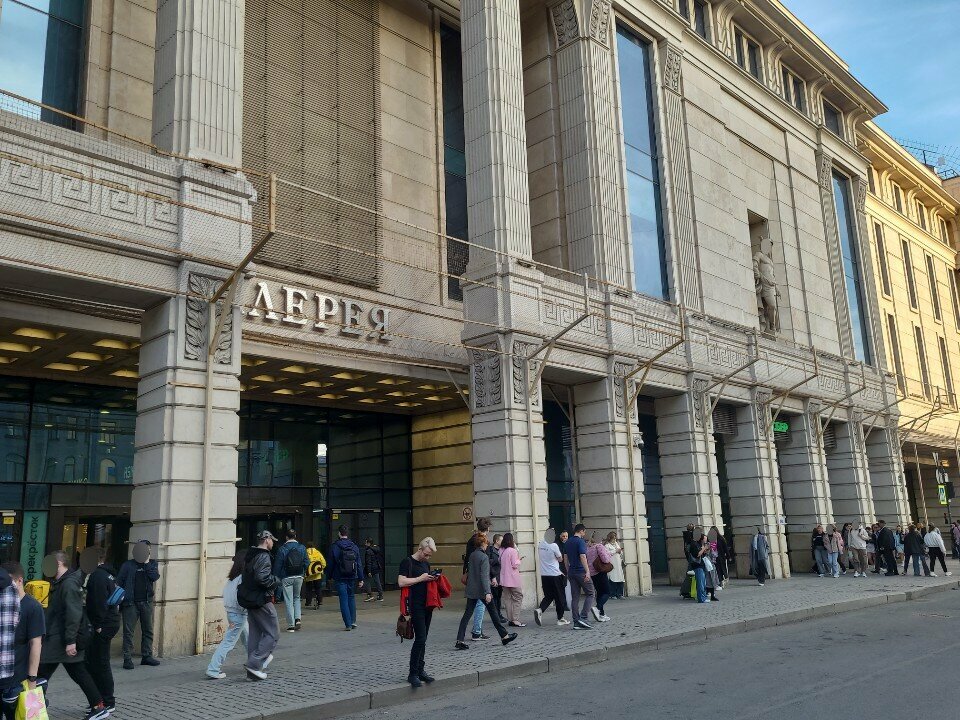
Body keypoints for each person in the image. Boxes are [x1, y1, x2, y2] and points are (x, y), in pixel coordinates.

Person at [39, 551, 109, 720]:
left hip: (60, 639)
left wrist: (71, 641)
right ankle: (98, 705)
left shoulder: (68, 584)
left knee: (41, 673)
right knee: (76, 672)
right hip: (59, 637)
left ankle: (34, 706)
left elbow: (73, 614)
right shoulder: (62, 582)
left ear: (58, 564)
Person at [454, 533, 517, 650]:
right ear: (483, 544)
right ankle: (505, 636)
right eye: (486, 543)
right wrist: (487, 592)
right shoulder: (483, 557)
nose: (487, 544)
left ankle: (460, 640)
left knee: (466, 615)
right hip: (482, 591)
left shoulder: (472, 555)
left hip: (471, 589)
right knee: (494, 614)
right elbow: (484, 576)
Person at [0, 562, 45, 720]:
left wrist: (32, 679)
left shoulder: (32, 607)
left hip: (18, 678)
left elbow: (36, 644)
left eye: (9, 581)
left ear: (19, 580)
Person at [237, 530, 282, 680]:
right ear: (267, 540)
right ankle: (254, 664)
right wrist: (276, 580)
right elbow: (262, 578)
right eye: (272, 540)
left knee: (255, 635)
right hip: (261, 599)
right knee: (273, 633)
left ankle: (252, 671)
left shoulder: (250, 555)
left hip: (250, 599)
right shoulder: (263, 556)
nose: (273, 543)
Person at [398, 538, 439, 687]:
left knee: (424, 638)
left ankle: (421, 670)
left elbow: (425, 581)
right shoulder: (407, 562)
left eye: (429, 556)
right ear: (419, 549)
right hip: (415, 606)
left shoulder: (426, 564)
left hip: (427, 605)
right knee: (420, 638)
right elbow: (401, 582)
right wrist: (420, 578)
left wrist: (432, 578)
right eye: (426, 554)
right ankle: (413, 673)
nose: (427, 557)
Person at [84, 548, 121, 714]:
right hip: (110, 622)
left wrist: (98, 625)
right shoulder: (108, 574)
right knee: (96, 662)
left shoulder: (98, 576)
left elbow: (99, 603)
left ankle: (107, 701)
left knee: (100, 663)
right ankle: (99, 700)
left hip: (103, 624)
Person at [117, 539, 160, 669]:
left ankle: (147, 656)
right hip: (130, 603)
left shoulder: (152, 564)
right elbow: (119, 582)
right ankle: (127, 658)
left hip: (146, 602)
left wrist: (146, 563)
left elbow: (154, 577)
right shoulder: (128, 565)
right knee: (128, 632)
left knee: (148, 630)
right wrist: (119, 601)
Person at [206, 551, 248, 679]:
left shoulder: (232, 579)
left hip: (233, 613)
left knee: (248, 637)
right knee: (228, 642)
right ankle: (213, 668)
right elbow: (243, 597)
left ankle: (258, 661)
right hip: (239, 613)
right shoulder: (242, 578)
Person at [462, 518, 493, 640]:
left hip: (471, 574)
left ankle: (475, 630)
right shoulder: (484, 541)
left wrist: (465, 572)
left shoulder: (472, 539)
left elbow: (467, 558)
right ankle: (476, 631)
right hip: (480, 575)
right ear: (488, 528)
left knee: (473, 606)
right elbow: (486, 560)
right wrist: (492, 577)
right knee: (480, 604)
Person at [328, 525, 364, 631]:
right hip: (352, 576)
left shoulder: (334, 546)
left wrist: (329, 577)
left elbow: (330, 564)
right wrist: (361, 578)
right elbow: (359, 564)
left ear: (339, 533)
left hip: (340, 576)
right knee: (351, 597)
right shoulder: (354, 546)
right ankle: (353, 622)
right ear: (347, 533)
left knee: (343, 599)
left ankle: (348, 624)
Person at [273, 529, 307, 633]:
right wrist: (302, 571)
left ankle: (291, 625)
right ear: (295, 536)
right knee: (297, 597)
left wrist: (276, 577)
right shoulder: (302, 547)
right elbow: (307, 561)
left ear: (286, 537)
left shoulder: (282, 549)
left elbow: (278, 565)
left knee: (288, 600)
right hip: (299, 576)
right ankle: (298, 619)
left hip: (286, 577)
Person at [534, 529, 568, 627]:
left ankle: (540, 609)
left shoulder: (540, 544)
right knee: (560, 597)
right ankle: (560, 618)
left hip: (544, 574)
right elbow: (560, 559)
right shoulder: (554, 546)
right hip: (555, 574)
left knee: (549, 595)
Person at [565, 524, 596, 629]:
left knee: (575, 597)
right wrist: (587, 571)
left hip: (571, 572)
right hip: (581, 571)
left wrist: (568, 571)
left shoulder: (568, 542)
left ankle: (576, 621)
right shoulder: (580, 541)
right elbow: (582, 556)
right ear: (581, 531)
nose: (584, 534)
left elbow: (565, 558)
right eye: (584, 532)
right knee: (590, 593)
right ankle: (583, 617)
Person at [498, 533, 524, 627]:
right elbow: (514, 564)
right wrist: (519, 560)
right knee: (518, 597)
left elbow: (500, 561)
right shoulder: (513, 551)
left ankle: (510, 619)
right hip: (513, 579)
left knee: (507, 599)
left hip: (504, 578)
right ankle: (515, 619)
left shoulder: (501, 550)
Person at [586, 534, 613, 620]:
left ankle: (601, 614)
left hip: (592, 573)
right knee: (607, 592)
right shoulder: (599, 546)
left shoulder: (588, 547)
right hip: (600, 571)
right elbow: (605, 559)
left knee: (600, 592)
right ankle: (597, 608)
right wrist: (609, 554)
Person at [687, 528, 709, 602]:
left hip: (700, 565)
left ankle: (703, 597)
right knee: (700, 583)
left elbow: (701, 553)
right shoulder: (693, 544)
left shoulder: (696, 543)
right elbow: (697, 554)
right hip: (697, 565)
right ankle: (701, 599)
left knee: (702, 582)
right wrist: (704, 548)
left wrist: (704, 549)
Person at [303, 542, 326, 608]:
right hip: (317, 575)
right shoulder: (318, 552)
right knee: (318, 588)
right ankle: (320, 601)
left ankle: (308, 602)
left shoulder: (305, 553)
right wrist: (320, 569)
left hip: (308, 574)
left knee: (309, 589)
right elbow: (324, 563)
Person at [604, 532, 625, 599]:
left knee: (620, 579)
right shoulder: (607, 546)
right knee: (612, 579)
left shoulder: (616, 544)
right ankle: (612, 594)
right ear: (610, 538)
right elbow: (606, 554)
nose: (614, 539)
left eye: (615, 538)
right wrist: (615, 551)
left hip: (618, 564)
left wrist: (620, 551)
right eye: (613, 538)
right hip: (612, 565)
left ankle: (620, 594)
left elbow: (621, 553)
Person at [490, 534, 505, 622]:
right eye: (501, 540)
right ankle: (496, 616)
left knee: (498, 597)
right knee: (495, 597)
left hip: (501, 576)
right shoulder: (491, 551)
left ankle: (498, 614)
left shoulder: (502, 550)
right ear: (497, 541)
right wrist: (493, 577)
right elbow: (490, 565)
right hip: (495, 577)